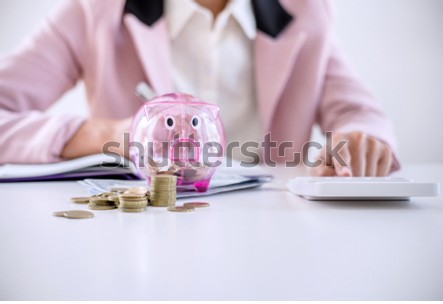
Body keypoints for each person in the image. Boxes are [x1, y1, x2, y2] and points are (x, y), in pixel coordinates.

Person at [0, 0, 399, 176]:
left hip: (272, 234)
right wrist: (108, 134)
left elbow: (360, 115)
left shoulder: (305, 12)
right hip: (135, 232)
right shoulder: (94, 10)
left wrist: (356, 143)